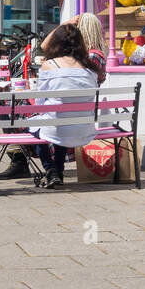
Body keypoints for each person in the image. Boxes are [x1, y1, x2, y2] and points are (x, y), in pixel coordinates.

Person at [30, 22, 99, 189]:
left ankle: (50, 169)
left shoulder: (49, 65)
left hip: (58, 129)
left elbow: (40, 103)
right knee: (58, 120)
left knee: (36, 124)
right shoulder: (90, 68)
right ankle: (58, 171)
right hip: (84, 130)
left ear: (57, 43)